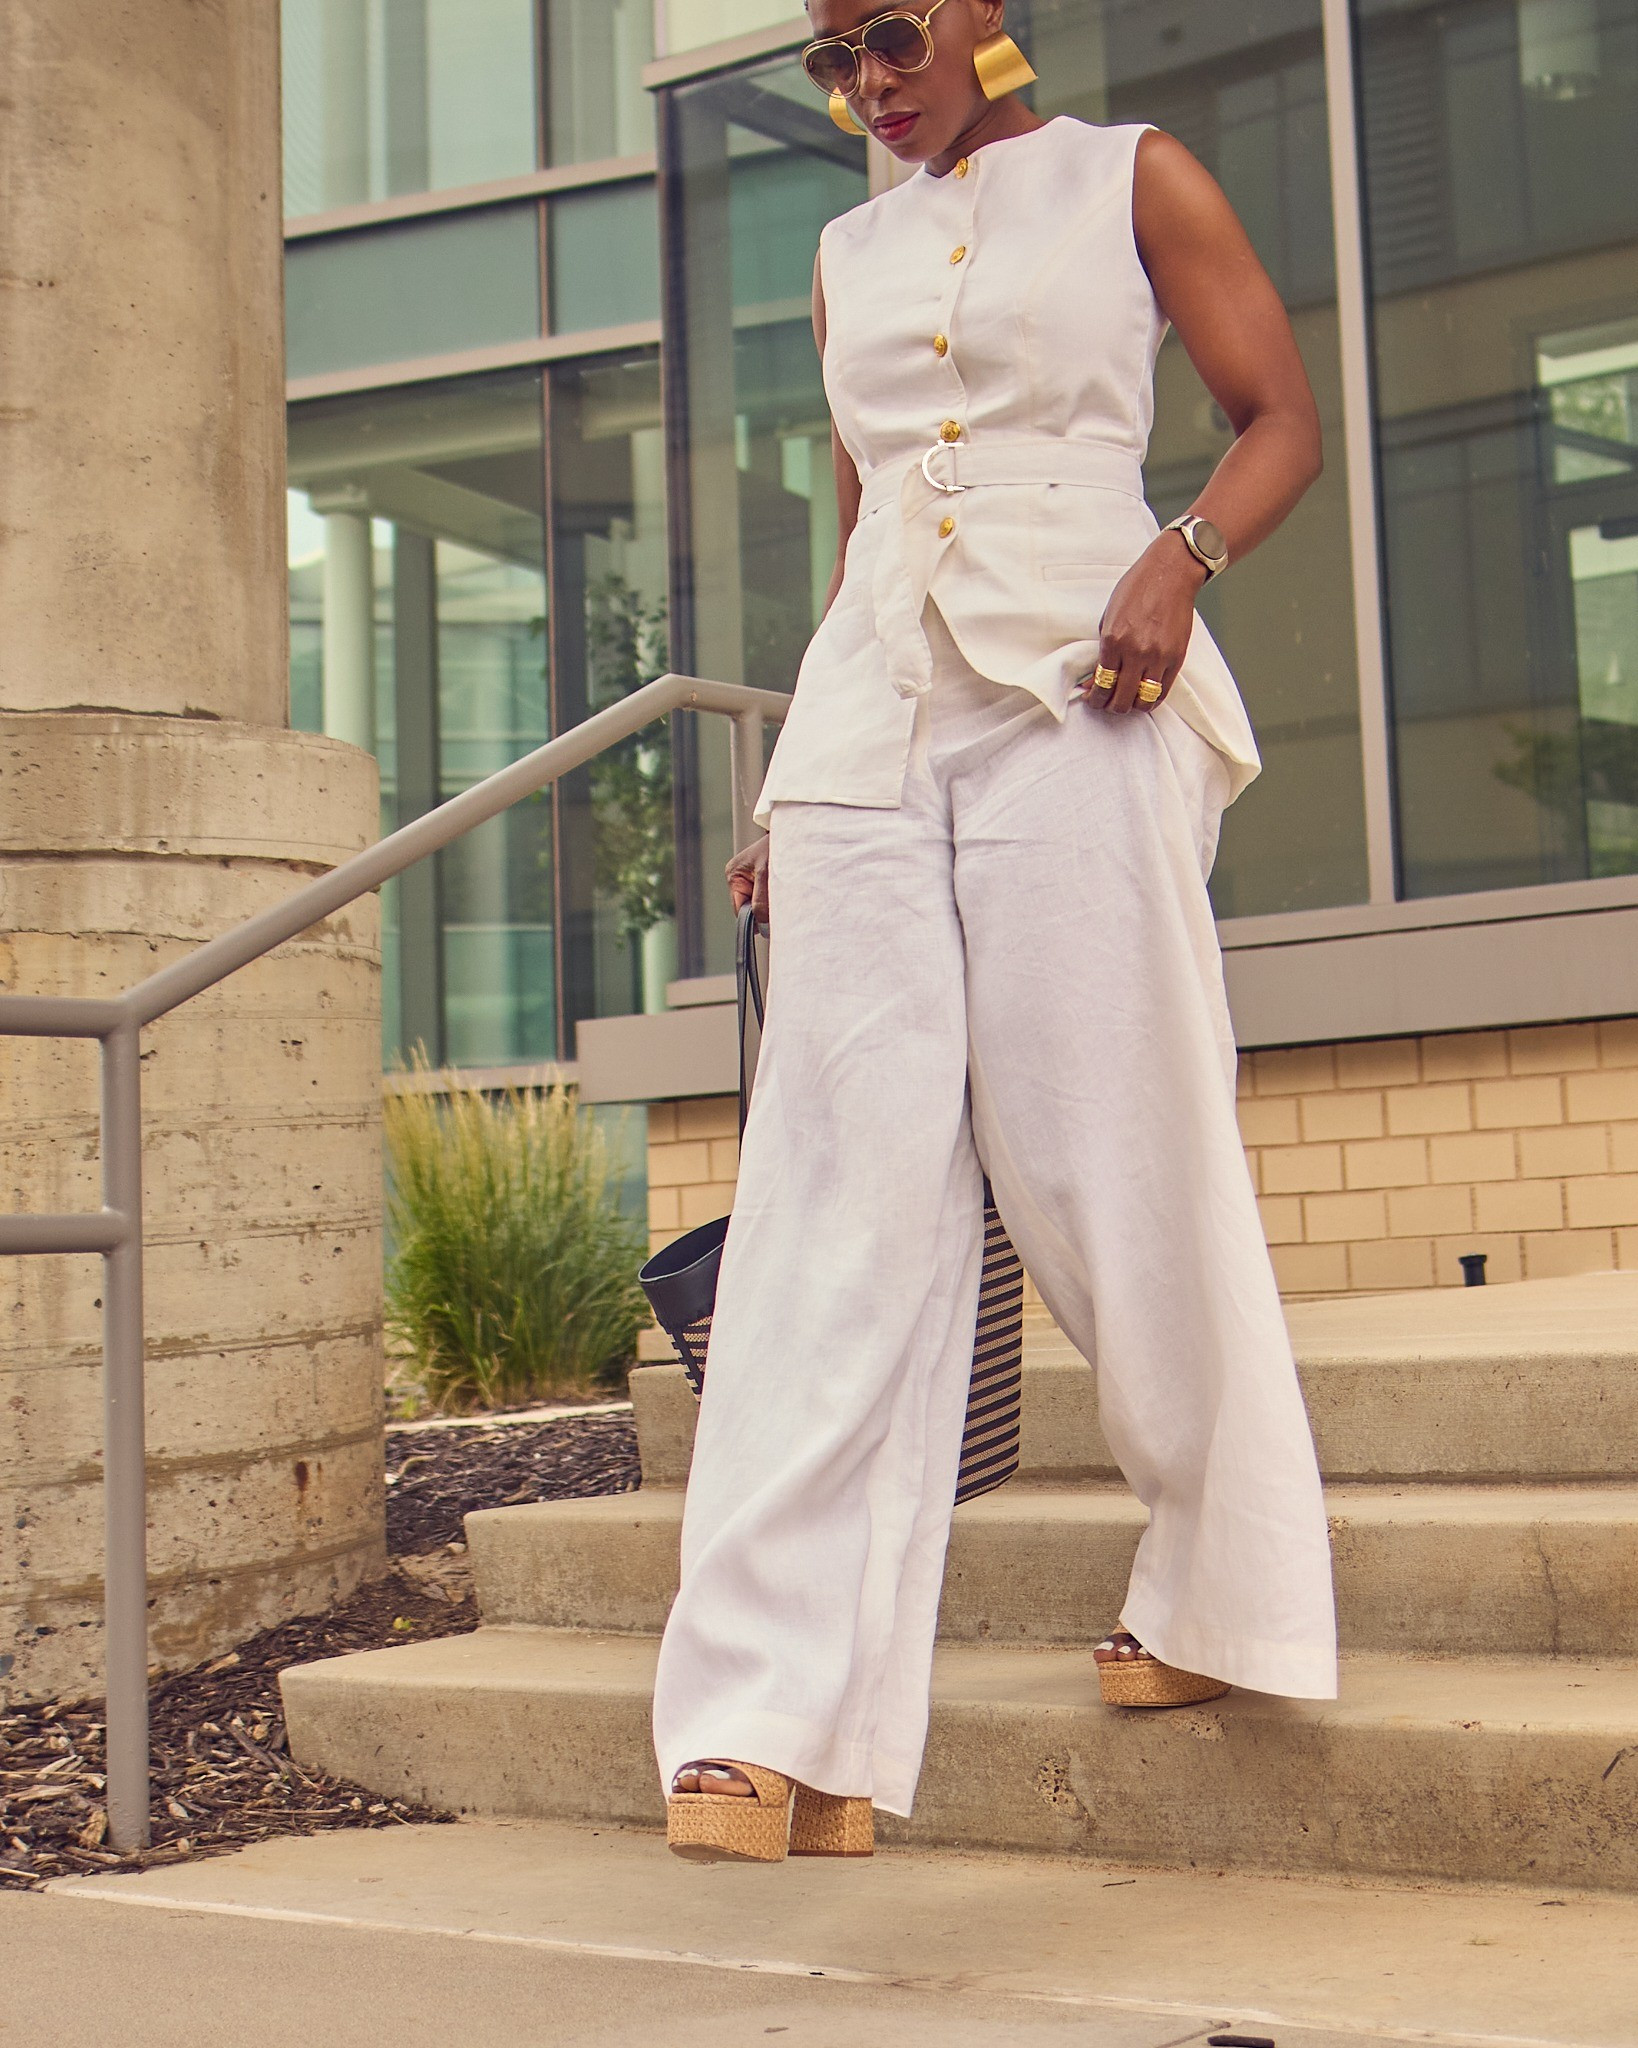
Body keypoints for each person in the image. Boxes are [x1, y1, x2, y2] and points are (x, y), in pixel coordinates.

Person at [652, 0, 1338, 1865]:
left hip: (1086, 692)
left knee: (1112, 1155)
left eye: (888, 34)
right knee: (827, 1198)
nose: (865, 81)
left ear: (978, 12)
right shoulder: (843, 253)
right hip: (873, 722)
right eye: (830, 59)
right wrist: (791, 785)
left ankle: (1218, 1592)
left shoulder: (1133, 179)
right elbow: (864, 529)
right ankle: (773, 1724)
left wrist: (1178, 561)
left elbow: (1280, 420)